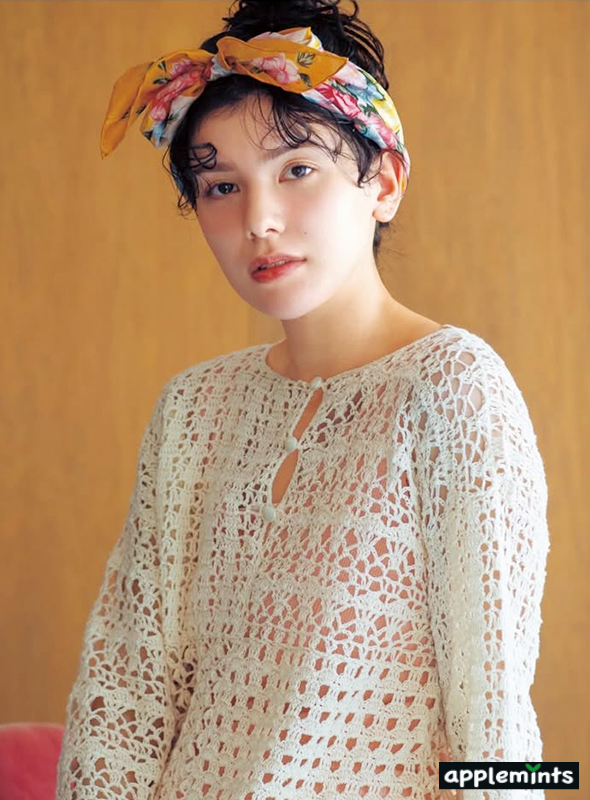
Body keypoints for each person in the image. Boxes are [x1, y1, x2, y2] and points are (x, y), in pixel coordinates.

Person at [55, 1, 550, 798]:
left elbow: (493, 722)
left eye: (296, 170)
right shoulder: (191, 411)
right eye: (221, 186)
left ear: (383, 182)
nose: (259, 221)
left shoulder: (454, 391)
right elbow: (126, 695)